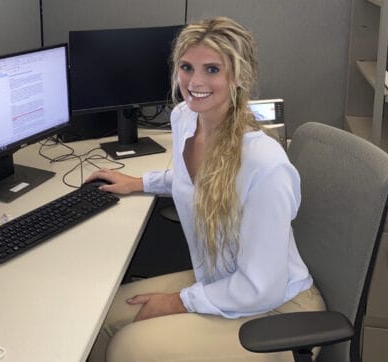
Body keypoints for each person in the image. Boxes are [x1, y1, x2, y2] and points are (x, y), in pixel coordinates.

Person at [86, 16, 325, 362]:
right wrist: (140, 182)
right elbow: (195, 180)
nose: (195, 81)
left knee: (128, 347)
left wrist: (179, 301)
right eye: (187, 67)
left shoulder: (265, 165)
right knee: (102, 322)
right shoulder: (185, 118)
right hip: (220, 283)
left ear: (239, 77)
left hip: (279, 311)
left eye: (212, 69)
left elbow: (262, 286)